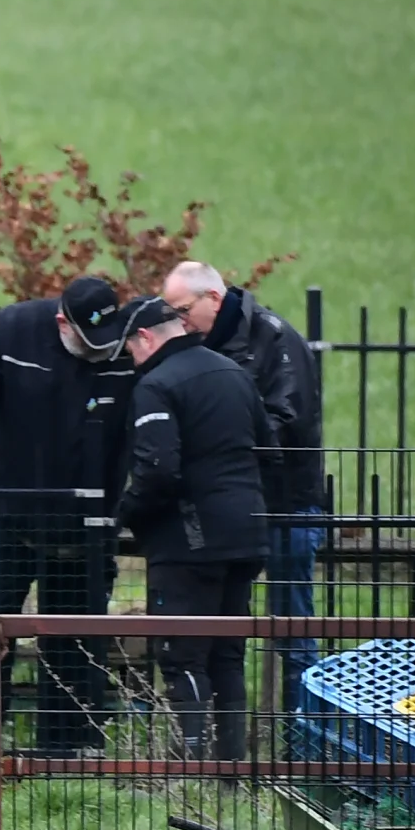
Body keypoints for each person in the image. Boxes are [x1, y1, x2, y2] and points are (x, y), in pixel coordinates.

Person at [0, 272, 138, 752]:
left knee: (74, 640)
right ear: (61, 321)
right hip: (7, 517)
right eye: (88, 341)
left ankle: (68, 753)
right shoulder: (14, 330)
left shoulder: (127, 349)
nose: (98, 351)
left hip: (86, 526)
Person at [116, 294, 272, 764]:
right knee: (227, 655)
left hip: (187, 543)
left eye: (130, 351)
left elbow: (158, 470)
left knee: (182, 655)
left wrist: (126, 516)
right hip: (247, 533)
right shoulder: (234, 373)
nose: (133, 362)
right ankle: (231, 768)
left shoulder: (156, 385)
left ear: (145, 338)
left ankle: (192, 764)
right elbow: (270, 448)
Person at [165, 260, 324, 712]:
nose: (177, 320)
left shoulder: (275, 338)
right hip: (229, 505)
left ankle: (301, 742)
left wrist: (221, 447)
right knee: (222, 629)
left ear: (212, 299)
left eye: (181, 309)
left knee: (292, 631)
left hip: (284, 504)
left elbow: (288, 422)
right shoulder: (199, 344)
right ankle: (225, 734)